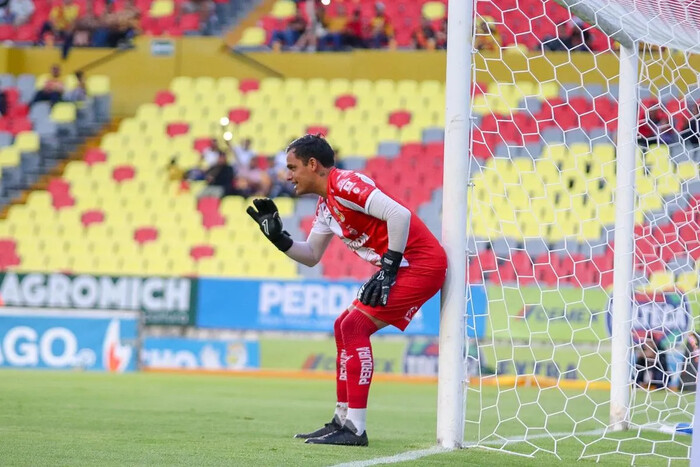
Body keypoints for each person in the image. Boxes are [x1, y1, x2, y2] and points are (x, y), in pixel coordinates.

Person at [246, 134, 447, 446]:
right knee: (343, 326)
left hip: (420, 266)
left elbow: (399, 214)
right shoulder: (326, 205)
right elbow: (311, 255)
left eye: (292, 167)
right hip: (403, 266)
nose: (287, 176)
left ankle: (355, 427)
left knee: (354, 326)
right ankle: (342, 420)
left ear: (313, 165)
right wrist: (279, 239)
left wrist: (389, 268)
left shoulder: (345, 184)